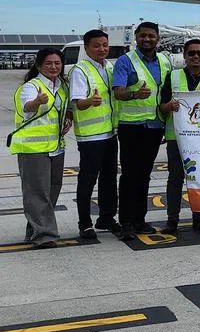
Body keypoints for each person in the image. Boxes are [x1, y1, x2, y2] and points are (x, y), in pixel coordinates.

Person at [112, 22, 170, 240]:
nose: (147, 39)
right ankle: (126, 221)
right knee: (129, 176)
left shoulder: (165, 61)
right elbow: (118, 92)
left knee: (144, 176)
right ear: (136, 37)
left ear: (158, 38)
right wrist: (135, 95)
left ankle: (139, 219)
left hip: (155, 126)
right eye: (143, 36)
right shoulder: (125, 61)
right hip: (132, 127)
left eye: (151, 36)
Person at [11, 49, 71, 248]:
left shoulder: (61, 86)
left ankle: (34, 228)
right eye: (49, 63)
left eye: (57, 63)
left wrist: (67, 119)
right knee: (37, 192)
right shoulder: (32, 86)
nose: (54, 67)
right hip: (33, 148)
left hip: (55, 147)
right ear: (38, 66)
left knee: (53, 189)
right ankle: (44, 235)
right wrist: (36, 102)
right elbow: (27, 107)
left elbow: (63, 109)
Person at [158, 37, 200, 234]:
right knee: (175, 179)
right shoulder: (172, 77)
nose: (196, 57)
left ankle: (199, 218)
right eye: (192, 53)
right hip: (177, 139)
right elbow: (161, 107)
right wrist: (168, 106)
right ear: (184, 55)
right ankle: (172, 219)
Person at [69, 29, 119, 237]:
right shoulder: (80, 70)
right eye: (97, 46)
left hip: (109, 133)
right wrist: (89, 101)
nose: (102, 49)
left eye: (105, 45)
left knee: (109, 177)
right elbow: (77, 103)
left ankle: (106, 218)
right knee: (88, 179)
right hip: (91, 136)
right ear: (86, 47)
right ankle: (84, 223)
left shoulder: (109, 67)